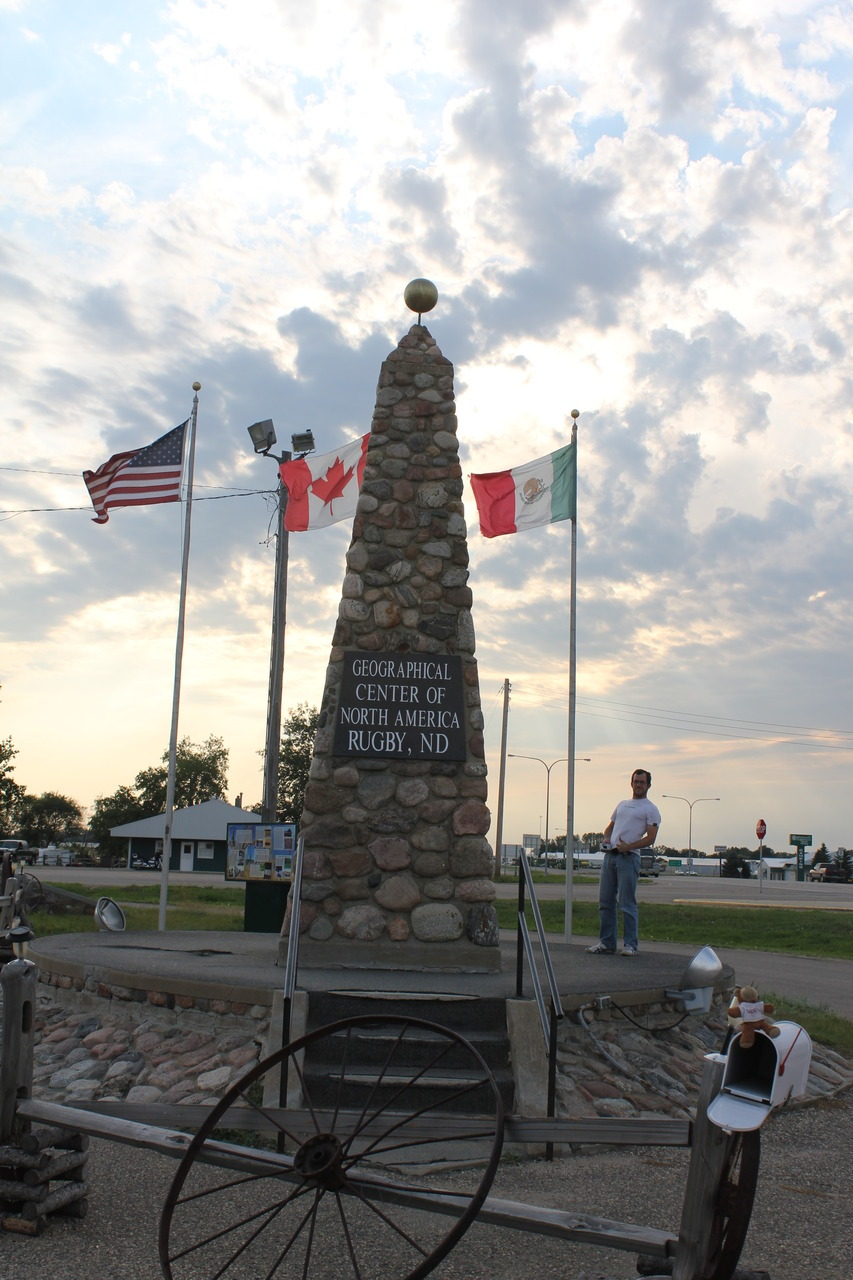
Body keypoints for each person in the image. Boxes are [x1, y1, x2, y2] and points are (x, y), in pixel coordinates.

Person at [585, 768, 660, 956]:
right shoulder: (622, 805)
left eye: (642, 782)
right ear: (631, 783)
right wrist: (605, 840)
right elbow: (609, 828)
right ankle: (607, 943)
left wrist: (630, 846)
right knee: (605, 901)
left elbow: (651, 838)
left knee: (626, 903)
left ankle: (630, 945)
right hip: (611, 857)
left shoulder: (650, 809)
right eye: (636, 781)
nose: (638, 785)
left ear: (648, 785)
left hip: (629, 858)